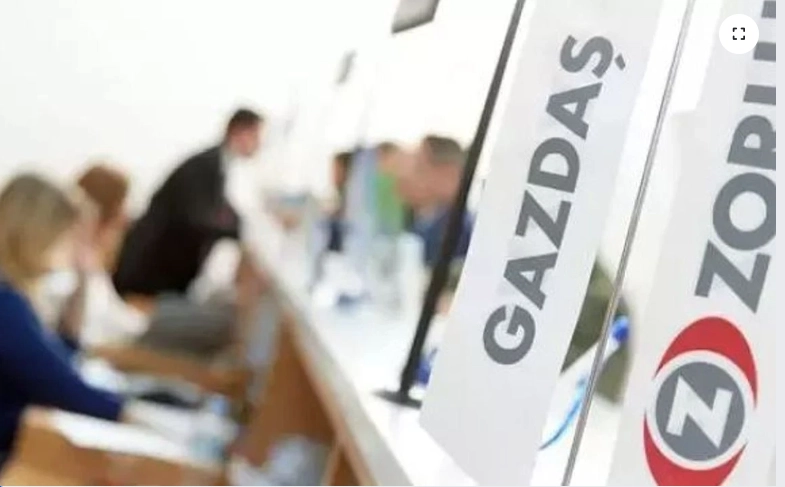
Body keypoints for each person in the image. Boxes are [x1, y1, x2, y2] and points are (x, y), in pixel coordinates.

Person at [0, 174, 125, 470]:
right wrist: (138, 413)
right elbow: (69, 391)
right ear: (39, 235)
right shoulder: (6, 305)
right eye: (68, 237)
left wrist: (83, 282)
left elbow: (62, 360)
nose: (71, 249)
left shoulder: (13, 298)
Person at [113, 108, 264, 297]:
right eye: (256, 136)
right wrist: (239, 234)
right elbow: (199, 218)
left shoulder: (216, 164)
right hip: (149, 272)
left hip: (156, 269)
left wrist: (244, 227)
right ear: (239, 131)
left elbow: (221, 208)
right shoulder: (207, 165)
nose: (259, 144)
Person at [52, 164, 148, 348]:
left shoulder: (93, 269)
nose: (127, 222)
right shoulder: (70, 273)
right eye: (123, 210)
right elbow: (91, 337)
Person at [397, 135, 473, 267]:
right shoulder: (418, 222)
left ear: (449, 174)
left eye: (418, 168)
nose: (405, 176)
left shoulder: (459, 236)